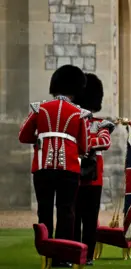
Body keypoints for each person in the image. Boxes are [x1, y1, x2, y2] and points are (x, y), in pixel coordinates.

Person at [18, 64, 90, 268]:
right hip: (68, 169)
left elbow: (23, 136)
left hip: (42, 168)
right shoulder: (79, 113)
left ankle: (46, 255)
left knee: (44, 211)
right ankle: (62, 257)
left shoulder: (39, 109)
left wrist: (41, 139)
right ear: (75, 89)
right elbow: (84, 146)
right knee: (67, 212)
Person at [73, 73, 115, 266]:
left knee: (90, 220)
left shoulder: (98, 122)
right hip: (74, 173)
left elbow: (105, 143)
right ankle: (74, 253)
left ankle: (88, 255)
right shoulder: (75, 121)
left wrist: (102, 132)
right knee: (74, 218)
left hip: (93, 177)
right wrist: (95, 138)